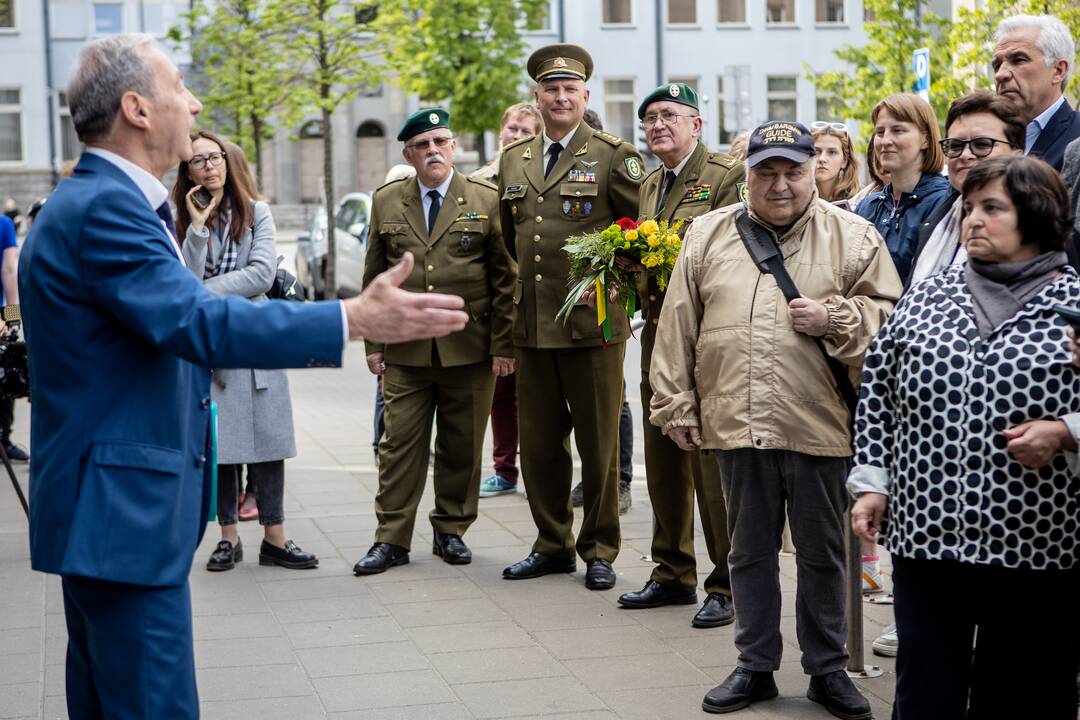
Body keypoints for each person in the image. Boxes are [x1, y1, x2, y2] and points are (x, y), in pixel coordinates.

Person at [21, 34, 468, 718]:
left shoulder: (98, 200)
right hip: (120, 514)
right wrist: (348, 319)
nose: (194, 105)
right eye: (180, 90)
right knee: (149, 704)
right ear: (137, 108)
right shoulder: (107, 208)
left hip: (107, 510)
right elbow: (199, 322)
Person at [650, 120, 901, 718]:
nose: (780, 184)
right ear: (747, 174)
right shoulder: (708, 234)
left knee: (824, 553)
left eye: (793, 170)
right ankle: (755, 665)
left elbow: (888, 320)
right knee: (748, 551)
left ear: (816, 168)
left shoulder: (853, 234)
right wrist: (675, 402)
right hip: (735, 421)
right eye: (767, 171)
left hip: (820, 423)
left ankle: (827, 669)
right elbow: (677, 325)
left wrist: (835, 319)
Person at [850, 155, 1080, 720]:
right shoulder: (929, 297)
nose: (972, 219)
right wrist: (873, 482)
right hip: (928, 541)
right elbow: (878, 390)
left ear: (1038, 216)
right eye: (969, 208)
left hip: (1035, 546)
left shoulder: (1074, 306)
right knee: (927, 690)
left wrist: (1066, 432)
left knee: (1024, 691)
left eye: (992, 208)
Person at [498, 43, 642, 591]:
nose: (560, 97)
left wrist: (613, 291)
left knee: (599, 445)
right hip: (533, 327)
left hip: (592, 327)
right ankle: (551, 542)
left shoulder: (613, 155)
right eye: (550, 90)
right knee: (538, 446)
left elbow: (642, 239)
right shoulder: (516, 159)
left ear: (585, 96)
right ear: (536, 98)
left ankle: (600, 547)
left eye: (570, 90)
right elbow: (510, 244)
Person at [353, 108, 516, 575]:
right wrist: (373, 343)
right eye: (422, 145)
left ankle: (451, 529)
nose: (432, 152)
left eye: (440, 142)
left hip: (470, 345)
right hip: (405, 347)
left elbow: (507, 278)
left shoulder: (484, 197)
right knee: (398, 444)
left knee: (462, 446)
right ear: (408, 153)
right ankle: (391, 538)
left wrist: (504, 345)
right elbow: (374, 273)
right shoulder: (388, 200)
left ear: (454, 146)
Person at [615, 82, 743, 629]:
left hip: (705, 340)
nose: (658, 125)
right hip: (657, 339)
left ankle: (728, 582)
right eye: (649, 118)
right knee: (663, 458)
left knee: (707, 463)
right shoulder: (649, 184)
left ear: (696, 122)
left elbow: (732, 255)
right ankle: (671, 572)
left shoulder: (722, 177)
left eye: (669, 115)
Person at [171, 130, 317, 571]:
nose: (208, 166)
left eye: (214, 157)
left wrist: (202, 293)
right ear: (188, 172)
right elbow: (183, 276)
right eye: (197, 161)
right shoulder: (182, 218)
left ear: (227, 162)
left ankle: (276, 537)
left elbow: (259, 274)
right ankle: (227, 538)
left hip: (255, 337)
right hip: (213, 343)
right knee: (221, 445)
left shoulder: (258, 213)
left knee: (270, 440)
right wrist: (196, 228)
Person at [472, 102, 543, 498]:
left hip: (532, 299)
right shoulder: (479, 181)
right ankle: (504, 469)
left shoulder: (539, 178)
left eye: (523, 131)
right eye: (511, 129)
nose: (514, 136)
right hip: (495, 303)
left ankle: (538, 470)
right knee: (500, 390)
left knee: (535, 393)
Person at [569, 104, 636, 515]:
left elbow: (634, 230)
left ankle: (620, 481)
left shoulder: (613, 161)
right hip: (553, 315)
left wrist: (618, 286)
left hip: (599, 308)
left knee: (613, 403)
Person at [909, 91, 1025, 286]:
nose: (965, 154)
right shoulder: (937, 219)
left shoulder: (1032, 229)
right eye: (955, 146)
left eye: (982, 144)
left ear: (1018, 155)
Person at [856, 93, 951, 285]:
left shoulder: (944, 204)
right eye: (880, 132)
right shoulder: (867, 206)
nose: (885, 141)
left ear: (925, 139)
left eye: (898, 130)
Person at [371, 163, 418, 469]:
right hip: (392, 317)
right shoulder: (383, 214)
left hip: (412, 314)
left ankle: (388, 444)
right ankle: (381, 443)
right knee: (385, 386)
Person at [993, 14, 1080, 171]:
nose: (1001, 74)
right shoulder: (983, 142)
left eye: (1018, 60)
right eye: (997, 65)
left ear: (1058, 71)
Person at [0, 213, 25, 463]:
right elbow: (8, 271)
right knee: (6, 373)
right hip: (1, 317)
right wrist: (12, 317)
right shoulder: (3, 224)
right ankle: (3, 438)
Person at [811, 121, 860, 207]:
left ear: (844, 160)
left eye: (832, 152)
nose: (822, 159)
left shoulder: (859, 200)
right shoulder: (799, 197)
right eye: (817, 151)